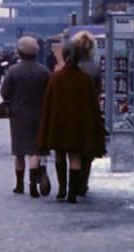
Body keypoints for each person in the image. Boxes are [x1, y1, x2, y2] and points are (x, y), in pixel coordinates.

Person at [36, 34, 106, 203]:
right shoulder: (85, 79)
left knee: (60, 155)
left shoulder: (56, 78)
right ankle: (73, 193)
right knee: (75, 156)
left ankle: (61, 189)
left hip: (58, 123)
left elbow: (48, 103)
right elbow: (93, 103)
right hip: (79, 123)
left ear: (65, 56)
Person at [0, 35, 51, 197]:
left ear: (20, 53)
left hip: (18, 115)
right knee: (35, 150)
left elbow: (4, 92)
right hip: (39, 114)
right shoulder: (43, 71)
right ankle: (33, 186)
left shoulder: (13, 71)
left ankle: (19, 184)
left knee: (19, 151)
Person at [73, 31, 102, 196]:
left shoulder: (72, 67)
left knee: (74, 147)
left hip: (73, 110)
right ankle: (83, 183)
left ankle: (74, 182)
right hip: (90, 111)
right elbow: (99, 90)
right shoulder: (95, 67)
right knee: (87, 149)